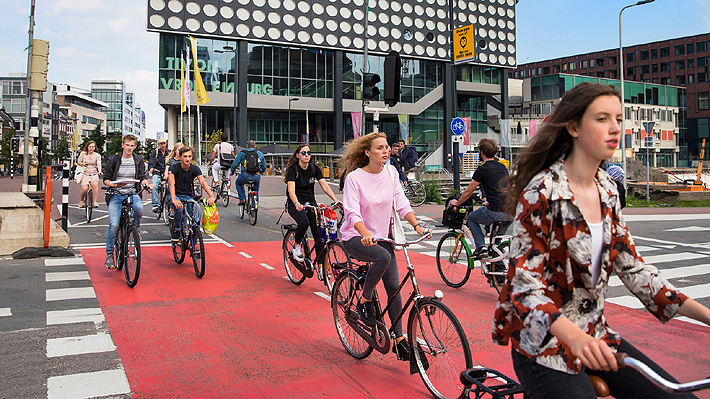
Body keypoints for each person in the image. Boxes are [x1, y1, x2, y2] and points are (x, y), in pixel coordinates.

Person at [492, 83, 710, 399]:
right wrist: (575, 339)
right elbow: (524, 288)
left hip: (596, 335)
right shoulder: (542, 192)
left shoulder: (608, 189)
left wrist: (705, 316)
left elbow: (633, 268)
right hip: (543, 344)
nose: (615, 128)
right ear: (573, 127)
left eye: (618, 119)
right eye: (602, 118)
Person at [339, 132, 429, 362]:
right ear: (367, 152)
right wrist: (366, 234)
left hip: (383, 237)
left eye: (387, 147)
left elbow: (401, 203)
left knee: (393, 286)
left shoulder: (391, 172)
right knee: (382, 257)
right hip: (355, 236)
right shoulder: (354, 178)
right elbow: (351, 212)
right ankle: (365, 300)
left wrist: (417, 226)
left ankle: (399, 340)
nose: (386, 151)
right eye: (380, 148)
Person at [450, 138, 510, 258]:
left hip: (496, 211)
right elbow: (503, 189)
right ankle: (496, 272)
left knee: (472, 218)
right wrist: (488, 201)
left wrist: (457, 203)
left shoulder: (482, 169)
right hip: (510, 210)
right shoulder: (502, 167)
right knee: (495, 247)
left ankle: (480, 247)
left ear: (481, 152)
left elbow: (468, 192)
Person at [103, 134, 153, 269]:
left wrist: (146, 184)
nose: (129, 148)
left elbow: (142, 176)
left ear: (135, 146)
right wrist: (113, 185)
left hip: (132, 192)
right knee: (114, 224)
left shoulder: (138, 160)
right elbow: (106, 179)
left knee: (139, 209)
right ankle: (109, 255)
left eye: (132, 146)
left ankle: (135, 231)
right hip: (116, 193)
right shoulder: (114, 160)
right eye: (127, 145)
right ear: (122, 145)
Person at [284, 144, 339, 267]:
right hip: (296, 203)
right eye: (303, 153)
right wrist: (297, 203)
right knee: (304, 222)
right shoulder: (293, 170)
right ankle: (297, 246)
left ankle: (321, 267)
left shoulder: (314, 169)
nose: (307, 155)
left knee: (319, 235)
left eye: (309, 153)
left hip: (311, 204)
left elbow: (324, 185)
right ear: (298, 155)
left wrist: (335, 200)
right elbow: (291, 191)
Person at [168, 146, 215, 241]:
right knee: (179, 208)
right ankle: (177, 230)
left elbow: (202, 182)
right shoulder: (174, 168)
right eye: (185, 156)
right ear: (180, 157)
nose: (187, 159)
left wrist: (211, 196)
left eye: (189, 156)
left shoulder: (195, 169)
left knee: (196, 218)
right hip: (176, 194)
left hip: (188, 195)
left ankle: (195, 247)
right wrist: (174, 199)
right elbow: (171, 183)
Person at [231, 140, 266, 206]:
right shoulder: (260, 153)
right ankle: (254, 207)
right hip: (256, 176)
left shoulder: (243, 153)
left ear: (247, 146)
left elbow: (235, 164)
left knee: (238, 183)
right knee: (255, 190)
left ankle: (242, 198)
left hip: (245, 175)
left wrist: (232, 172)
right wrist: (261, 172)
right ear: (255, 147)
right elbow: (264, 166)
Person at [77, 140, 101, 208]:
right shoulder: (83, 154)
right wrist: (83, 164)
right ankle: (81, 201)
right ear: (87, 147)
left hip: (93, 172)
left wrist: (99, 171)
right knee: (84, 189)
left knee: (95, 185)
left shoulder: (97, 155)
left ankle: (94, 201)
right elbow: (78, 161)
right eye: (90, 146)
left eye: (93, 147)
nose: (91, 148)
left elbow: (98, 163)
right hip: (85, 172)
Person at [148, 137, 169, 213]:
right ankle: (155, 205)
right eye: (161, 144)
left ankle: (169, 203)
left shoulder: (169, 152)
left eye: (164, 143)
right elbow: (151, 162)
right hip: (157, 171)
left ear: (166, 143)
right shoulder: (155, 152)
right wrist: (151, 168)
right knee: (154, 186)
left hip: (166, 172)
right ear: (159, 144)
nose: (163, 145)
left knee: (170, 186)